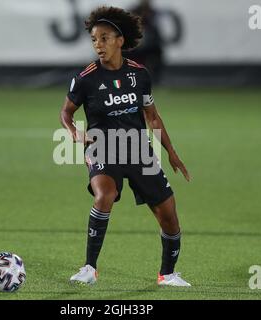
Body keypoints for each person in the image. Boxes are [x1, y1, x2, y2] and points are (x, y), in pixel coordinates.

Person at [59, 6, 191, 287]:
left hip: (137, 149)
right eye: (94, 39)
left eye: (104, 38)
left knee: (169, 215)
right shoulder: (86, 78)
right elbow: (66, 113)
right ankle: (89, 268)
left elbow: (152, 116)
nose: (98, 44)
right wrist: (73, 132)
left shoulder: (139, 75)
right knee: (104, 195)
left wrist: (171, 153)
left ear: (120, 40)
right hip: (102, 148)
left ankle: (167, 274)